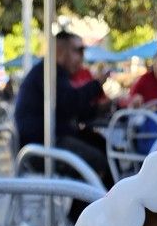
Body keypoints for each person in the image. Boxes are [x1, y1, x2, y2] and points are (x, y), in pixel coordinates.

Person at [14, 30, 113, 194]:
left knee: (101, 144)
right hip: (39, 149)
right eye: (78, 51)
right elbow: (70, 103)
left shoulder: (55, 73)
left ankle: (98, 205)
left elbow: (71, 111)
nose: (81, 57)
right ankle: (92, 208)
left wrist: (101, 108)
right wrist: (97, 84)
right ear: (60, 51)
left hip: (52, 140)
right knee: (97, 162)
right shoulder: (48, 72)